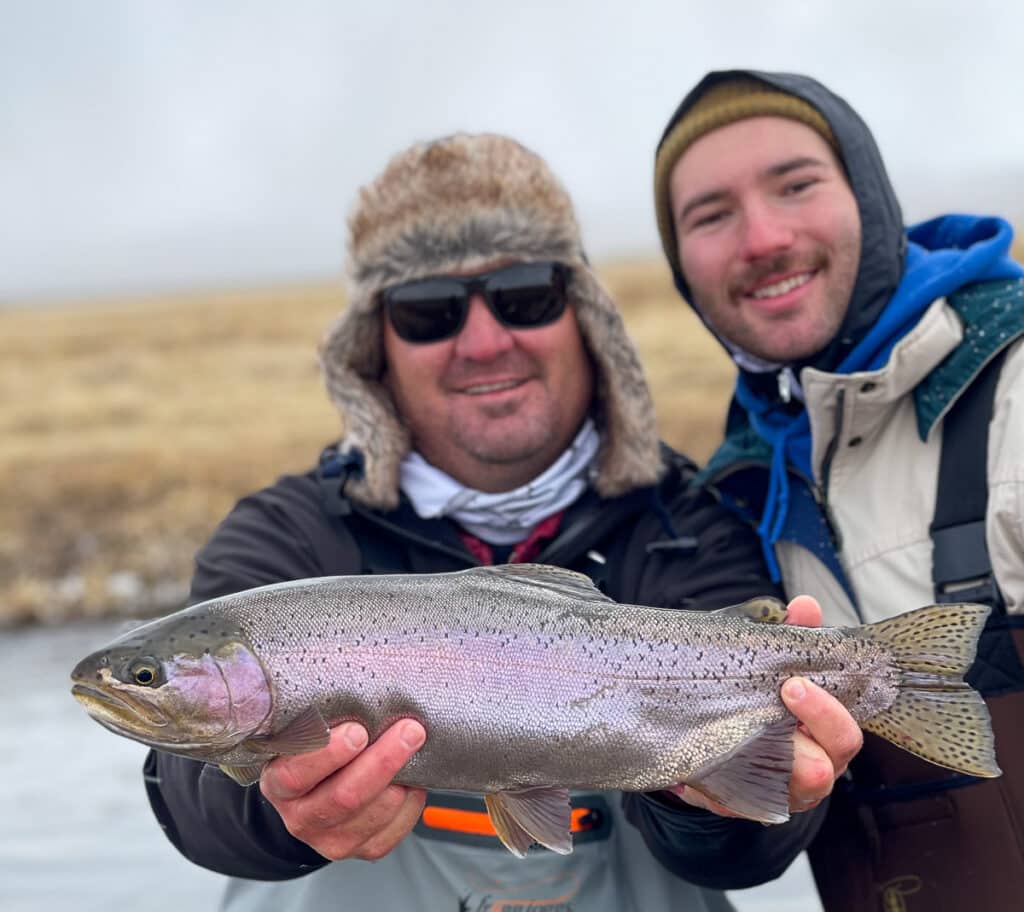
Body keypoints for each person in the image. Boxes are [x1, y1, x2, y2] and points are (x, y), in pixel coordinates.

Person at [142, 132, 861, 911]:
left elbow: (749, 852)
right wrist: (285, 808)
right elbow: (190, 793)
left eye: (525, 296)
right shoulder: (284, 537)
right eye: (429, 312)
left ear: (586, 320)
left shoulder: (693, 524)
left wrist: (714, 800)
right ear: (375, 348)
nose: (484, 343)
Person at [653, 70, 1024, 912]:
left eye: (796, 185)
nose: (762, 237)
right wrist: (694, 801)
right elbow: (750, 849)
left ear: (870, 199)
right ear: (682, 271)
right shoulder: (733, 493)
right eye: (711, 215)